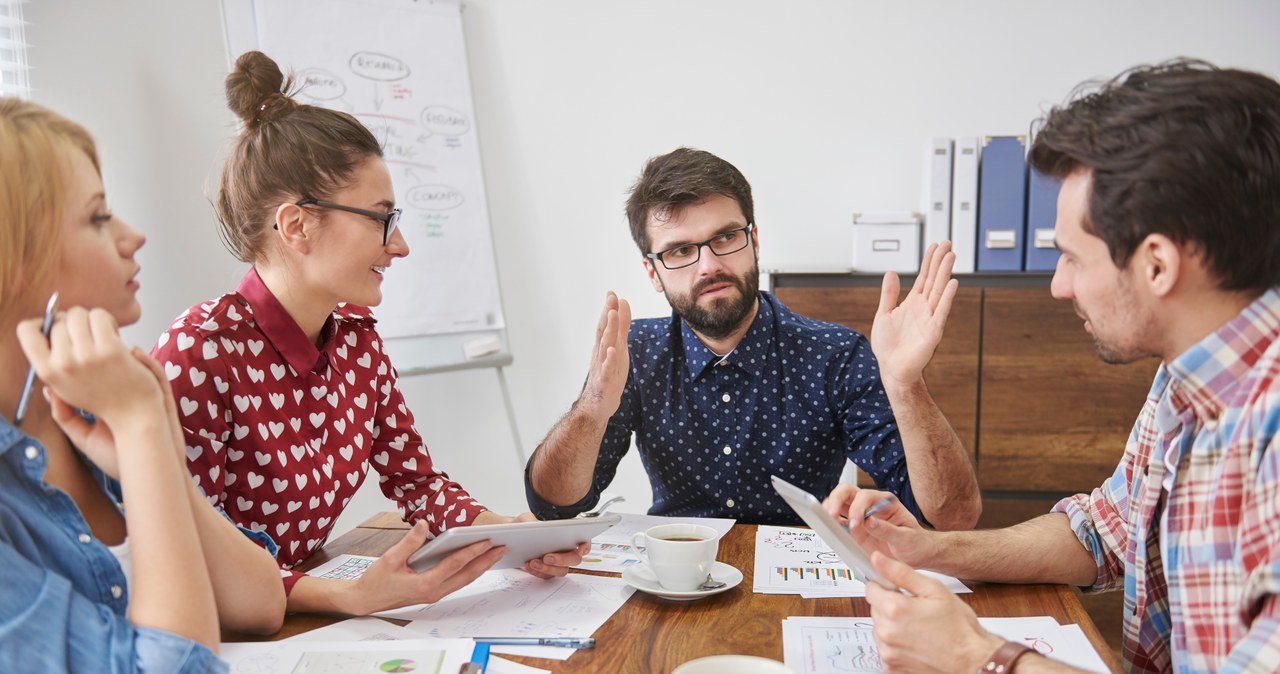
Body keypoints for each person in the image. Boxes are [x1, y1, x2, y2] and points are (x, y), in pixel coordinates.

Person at [826, 60, 1280, 673]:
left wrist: (979, 657)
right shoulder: (1185, 380)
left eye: (1070, 257)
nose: (1058, 286)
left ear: (1157, 265)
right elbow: (1099, 533)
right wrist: (927, 548)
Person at [150, 51, 585, 617]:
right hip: (228, 633)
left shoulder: (356, 338)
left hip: (310, 610)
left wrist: (512, 536)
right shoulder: (198, 352)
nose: (399, 245)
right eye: (382, 218)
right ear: (297, 225)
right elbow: (189, 560)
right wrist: (349, 596)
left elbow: (417, 483)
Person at [526, 147, 981, 530]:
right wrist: (592, 407)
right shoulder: (636, 354)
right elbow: (555, 505)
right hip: (675, 581)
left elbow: (951, 518)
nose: (708, 266)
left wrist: (905, 384)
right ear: (653, 271)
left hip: (799, 590)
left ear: (754, 241)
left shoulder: (835, 355)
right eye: (681, 250)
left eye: (725, 237)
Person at [0, 99, 285, 671]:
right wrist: (140, 430)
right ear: (15, 258)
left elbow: (259, 604)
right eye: (99, 218)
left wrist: (149, 448)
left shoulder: (90, 411)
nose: (134, 236)